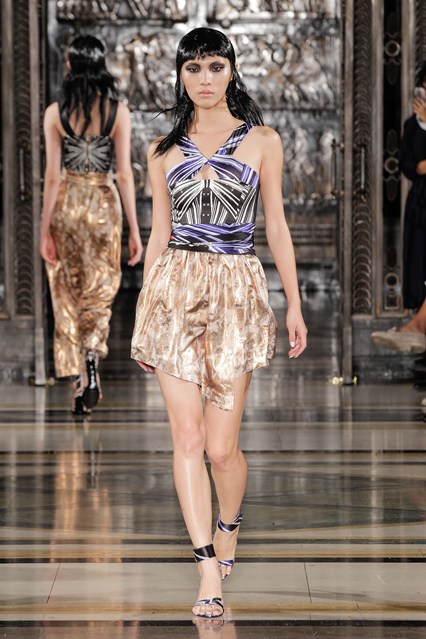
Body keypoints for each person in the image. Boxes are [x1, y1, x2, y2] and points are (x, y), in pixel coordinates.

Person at [131, 27, 307, 618]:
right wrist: (144, 312)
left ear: (231, 70)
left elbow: (275, 225)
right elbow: (158, 235)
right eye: (193, 68)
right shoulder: (161, 149)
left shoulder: (263, 141)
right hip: (174, 293)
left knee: (221, 448)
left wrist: (295, 303)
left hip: (236, 292)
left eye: (214, 66)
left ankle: (229, 521)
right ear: (180, 76)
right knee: (186, 439)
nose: (204, 79)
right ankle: (206, 566)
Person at [40, 35, 143, 414]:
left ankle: (76, 381)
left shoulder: (56, 113)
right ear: (102, 66)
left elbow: (52, 176)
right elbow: (125, 175)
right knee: (100, 286)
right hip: (103, 202)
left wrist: (44, 229)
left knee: (67, 286)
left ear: (69, 65)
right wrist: (134, 229)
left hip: (67, 202)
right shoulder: (119, 112)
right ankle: (91, 359)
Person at [371, 62, 426, 354]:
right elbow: (407, 164)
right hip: (420, 200)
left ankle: (417, 327)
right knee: (419, 261)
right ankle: (418, 325)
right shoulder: (411, 125)